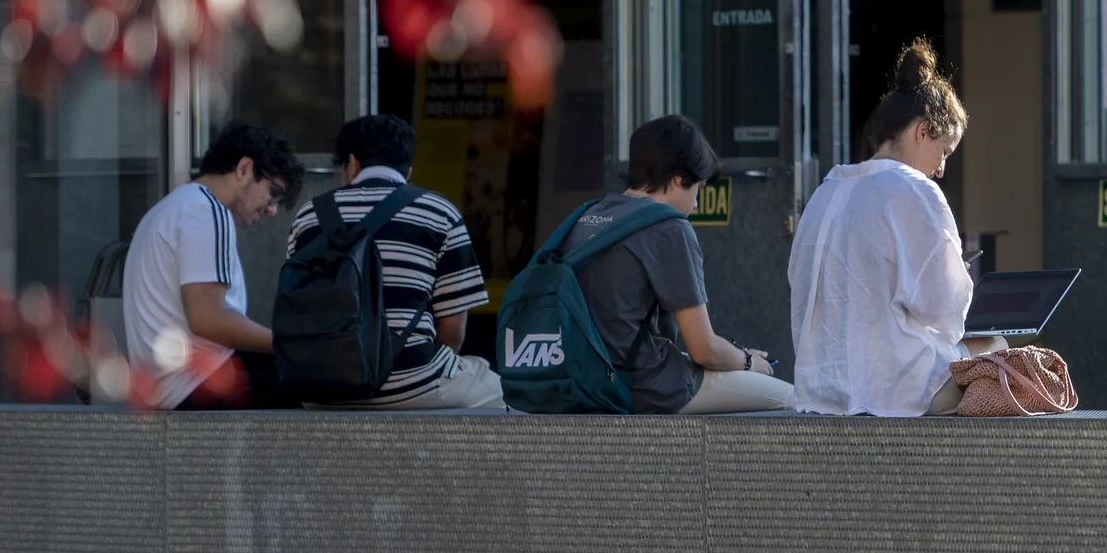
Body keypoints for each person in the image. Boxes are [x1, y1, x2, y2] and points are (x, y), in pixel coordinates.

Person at [789, 39, 1005, 417]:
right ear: (922, 132)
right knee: (999, 344)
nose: (941, 169)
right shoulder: (914, 190)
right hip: (897, 387)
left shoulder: (826, 192)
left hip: (820, 387)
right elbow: (946, 312)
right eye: (944, 151)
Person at [558, 114, 794, 414]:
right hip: (643, 387)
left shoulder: (587, 216)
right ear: (679, 178)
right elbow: (704, 349)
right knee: (793, 401)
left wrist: (736, 355)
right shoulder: (668, 227)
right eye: (698, 189)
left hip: (582, 378)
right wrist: (748, 363)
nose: (695, 205)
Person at [284, 114, 504, 410]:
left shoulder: (308, 217)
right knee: (492, 385)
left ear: (351, 164)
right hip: (414, 383)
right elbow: (453, 332)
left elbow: (297, 311)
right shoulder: (440, 213)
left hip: (321, 390)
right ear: (408, 170)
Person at [122, 121, 304, 410]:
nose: (271, 210)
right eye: (274, 193)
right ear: (244, 169)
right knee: (316, 378)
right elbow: (208, 318)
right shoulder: (206, 209)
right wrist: (289, 343)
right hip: (196, 384)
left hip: (168, 388)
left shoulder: (170, 207)